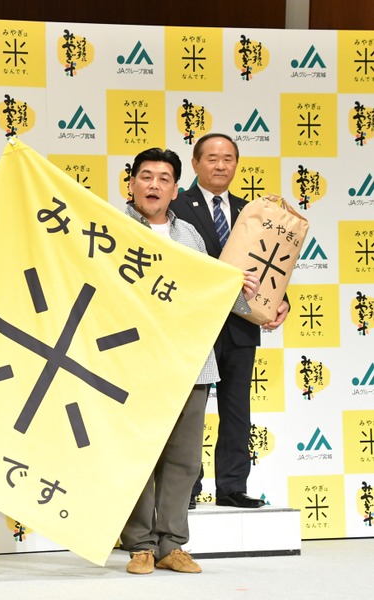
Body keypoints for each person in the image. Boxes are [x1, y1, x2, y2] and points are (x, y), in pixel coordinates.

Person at [120, 147, 258, 575]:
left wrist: (245, 291)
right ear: (131, 184)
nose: (154, 185)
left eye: (163, 179)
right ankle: (139, 543)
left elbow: (210, 292)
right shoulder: (112, 227)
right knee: (138, 453)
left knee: (184, 459)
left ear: (175, 189)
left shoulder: (191, 237)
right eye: (146, 177)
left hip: (189, 363)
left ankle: (171, 544)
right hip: (129, 360)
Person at [172, 133, 289, 510]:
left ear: (237, 165)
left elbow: (272, 264)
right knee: (190, 409)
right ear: (195, 164)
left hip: (241, 324)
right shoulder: (177, 208)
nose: (221, 166)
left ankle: (233, 487)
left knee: (237, 407)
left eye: (228, 159)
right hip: (194, 324)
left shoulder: (254, 213)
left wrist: (280, 301)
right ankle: (186, 488)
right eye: (212, 158)